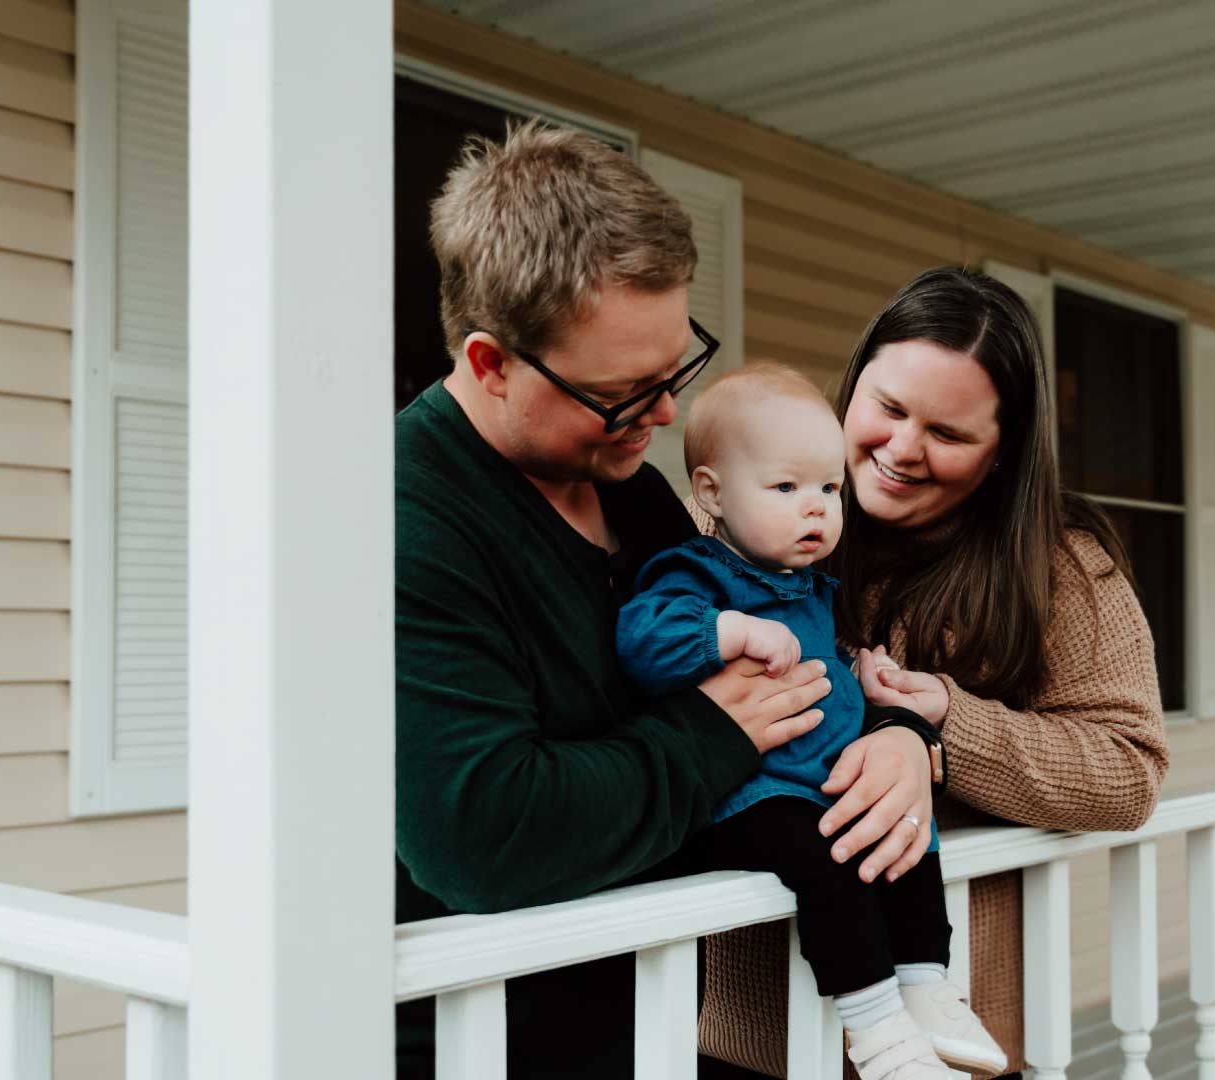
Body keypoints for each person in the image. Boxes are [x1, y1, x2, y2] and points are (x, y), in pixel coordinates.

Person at [392, 125, 942, 1079]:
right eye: (621, 393)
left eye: (675, 370)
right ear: (491, 364)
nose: (661, 417)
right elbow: (482, 831)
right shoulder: (410, 519)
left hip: (652, 1014)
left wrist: (898, 731)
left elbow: (799, 643)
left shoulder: (633, 493)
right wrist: (711, 734)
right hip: (470, 1038)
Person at [696, 267, 1170, 1078]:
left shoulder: (1059, 566)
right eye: (886, 408)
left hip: (954, 1033)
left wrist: (939, 739)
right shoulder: (753, 524)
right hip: (755, 1028)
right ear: (854, 389)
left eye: (948, 435)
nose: (902, 450)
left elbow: (1128, 769)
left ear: (1001, 454)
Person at [617, 366, 1006, 1079]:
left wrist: (865, 675)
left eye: (830, 489)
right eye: (786, 488)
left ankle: (926, 985)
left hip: (822, 777)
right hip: (753, 794)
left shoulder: (813, 588)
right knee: (831, 870)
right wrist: (726, 632)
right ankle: (880, 1033)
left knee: (908, 833)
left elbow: (824, 655)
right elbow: (641, 641)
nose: (817, 510)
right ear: (712, 493)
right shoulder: (697, 574)